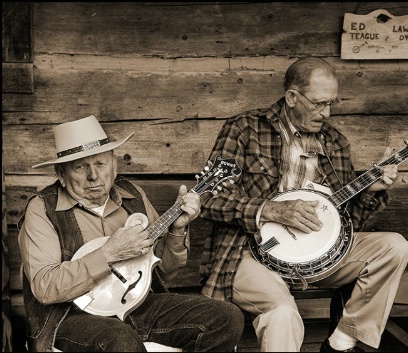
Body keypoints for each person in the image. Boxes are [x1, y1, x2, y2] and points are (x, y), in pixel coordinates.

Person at [199, 57, 408, 352]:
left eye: (332, 103)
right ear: (292, 97)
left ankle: (341, 342)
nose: (327, 112)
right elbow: (208, 199)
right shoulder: (245, 129)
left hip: (317, 257)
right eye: (319, 103)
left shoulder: (335, 142)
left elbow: (350, 226)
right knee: (283, 313)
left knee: (393, 247)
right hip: (252, 252)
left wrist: (369, 190)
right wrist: (273, 210)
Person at [18, 115, 244, 352]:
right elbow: (45, 288)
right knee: (121, 340)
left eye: (101, 164)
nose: (93, 176)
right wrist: (108, 253)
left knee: (226, 318)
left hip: (138, 306)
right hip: (70, 315)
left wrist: (177, 229)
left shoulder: (133, 195)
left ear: (114, 165)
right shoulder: (42, 209)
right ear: (61, 174)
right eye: (80, 166)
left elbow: (164, 273)